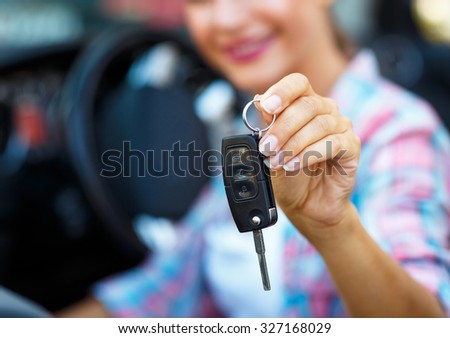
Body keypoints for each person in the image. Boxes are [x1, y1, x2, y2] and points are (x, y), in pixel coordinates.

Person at [59, 0, 450, 317]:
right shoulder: (242, 130)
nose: (227, 19)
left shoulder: (399, 129)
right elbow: (162, 291)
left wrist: (334, 229)